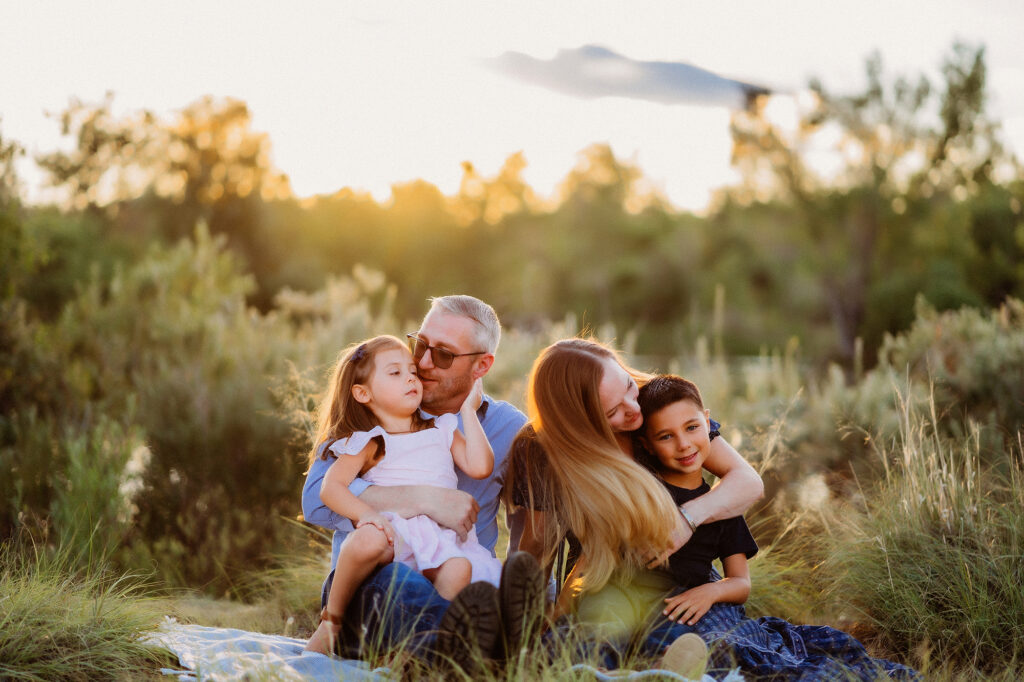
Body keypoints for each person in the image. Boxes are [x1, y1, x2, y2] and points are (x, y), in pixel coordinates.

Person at [628, 375, 919, 680]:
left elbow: (741, 584)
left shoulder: (723, 504)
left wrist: (710, 593)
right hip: (649, 610)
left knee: (750, 653)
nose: (684, 444)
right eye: (666, 436)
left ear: (708, 421)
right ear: (646, 444)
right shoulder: (645, 493)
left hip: (708, 608)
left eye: (691, 428)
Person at [301, 296, 538, 665]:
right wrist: (424, 499)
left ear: (482, 365)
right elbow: (316, 499)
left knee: (481, 583)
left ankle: (465, 646)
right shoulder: (372, 413)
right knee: (402, 584)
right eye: (420, 345)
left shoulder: (508, 428)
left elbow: (534, 517)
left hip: (459, 573)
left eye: (442, 354)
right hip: (373, 579)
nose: (422, 363)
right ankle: (491, 648)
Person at [506, 337, 764, 671]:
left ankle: (660, 669)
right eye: (612, 411)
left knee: (707, 640)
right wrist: (537, 617)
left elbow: (748, 482)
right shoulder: (540, 449)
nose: (634, 408)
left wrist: (686, 520)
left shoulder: (658, 406)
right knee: (580, 641)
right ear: (577, 423)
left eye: (628, 385)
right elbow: (539, 546)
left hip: (678, 574)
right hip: (600, 576)